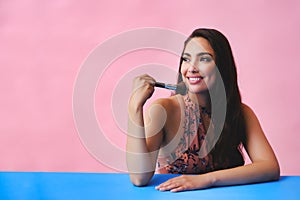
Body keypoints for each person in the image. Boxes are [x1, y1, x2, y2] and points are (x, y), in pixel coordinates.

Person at [126, 28, 280, 192]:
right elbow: (139, 178)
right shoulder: (163, 110)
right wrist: (134, 107)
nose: (191, 68)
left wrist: (207, 180)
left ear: (222, 67)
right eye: (186, 59)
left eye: (204, 59)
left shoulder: (240, 113)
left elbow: (270, 167)